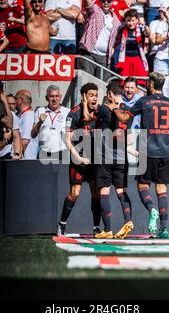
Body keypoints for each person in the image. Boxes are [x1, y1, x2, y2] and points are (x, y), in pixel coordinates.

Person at [111, 72, 169, 238]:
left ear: (150, 84)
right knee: (162, 190)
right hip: (166, 150)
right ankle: (164, 228)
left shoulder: (144, 101)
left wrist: (113, 108)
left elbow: (125, 118)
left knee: (143, 186)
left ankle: (151, 210)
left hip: (147, 149)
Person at [57, 83, 102, 237]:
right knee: (75, 192)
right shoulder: (73, 114)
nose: (94, 98)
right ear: (83, 96)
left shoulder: (99, 112)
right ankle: (62, 224)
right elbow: (67, 140)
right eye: (91, 95)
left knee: (96, 194)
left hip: (94, 160)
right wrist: (79, 158)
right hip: (78, 158)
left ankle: (96, 227)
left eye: (96, 95)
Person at [94, 81, 134, 239]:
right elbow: (129, 140)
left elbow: (90, 116)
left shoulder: (104, 109)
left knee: (104, 191)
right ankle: (128, 220)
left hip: (106, 157)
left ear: (109, 94)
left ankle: (108, 230)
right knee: (121, 191)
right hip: (121, 158)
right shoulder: (127, 111)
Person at [79, 0, 121, 81]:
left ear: (111, 3)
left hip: (105, 57)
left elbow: (117, 39)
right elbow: (87, 3)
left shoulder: (116, 21)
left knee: (103, 85)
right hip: (89, 53)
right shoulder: (96, 10)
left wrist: (113, 49)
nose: (105, 3)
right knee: (86, 81)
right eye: (103, 1)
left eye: (108, 1)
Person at [31, 86, 71, 161]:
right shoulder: (40, 111)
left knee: (62, 173)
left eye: (57, 96)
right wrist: (40, 122)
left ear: (60, 97)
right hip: (44, 152)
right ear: (46, 98)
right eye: (51, 96)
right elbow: (33, 134)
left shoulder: (67, 112)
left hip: (62, 152)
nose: (54, 99)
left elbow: (72, 133)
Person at [114, 9, 150, 85]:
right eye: (128, 20)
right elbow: (117, 42)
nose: (131, 23)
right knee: (123, 83)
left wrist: (144, 25)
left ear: (137, 19)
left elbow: (147, 33)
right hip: (125, 59)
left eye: (133, 20)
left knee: (140, 83)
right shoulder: (122, 29)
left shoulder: (140, 29)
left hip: (138, 59)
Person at [15, 90, 38, 159]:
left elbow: (24, 141)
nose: (14, 101)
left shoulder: (28, 115)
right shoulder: (24, 115)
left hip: (25, 159)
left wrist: (16, 154)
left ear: (20, 100)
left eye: (16, 98)